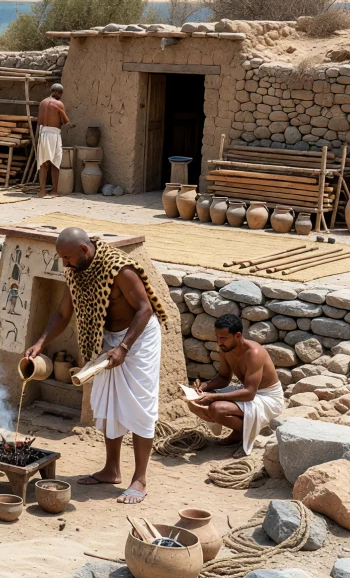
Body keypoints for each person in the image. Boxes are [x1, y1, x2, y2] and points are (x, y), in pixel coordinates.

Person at [25, 227, 168, 504]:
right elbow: (63, 313)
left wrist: (124, 347)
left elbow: (145, 309)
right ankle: (111, 469)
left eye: (67, 258)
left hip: (138, 339)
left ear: (84, 250)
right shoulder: (74, 271)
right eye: (61, 259)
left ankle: (140, 478)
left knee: (140, 405)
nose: (64, 264)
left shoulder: (120, 268)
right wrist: (41, 343)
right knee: (109, 404)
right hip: (107, 340)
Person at [188, 315, 284, 457]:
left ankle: (242, 433)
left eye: (223, 338)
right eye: (217, 337)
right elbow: (223, 378)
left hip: (268, 398)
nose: (219, 342)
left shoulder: (254, 353)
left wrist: (213, 397)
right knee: (194, 400)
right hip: (248, 391)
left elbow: (250, 393)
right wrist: (204, 386)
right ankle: (241, 429)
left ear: (237, 336)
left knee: (217, 408)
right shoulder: (225, 349)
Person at [35, 84, 69, 199]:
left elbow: (39, 122)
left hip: (42, 133)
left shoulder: (42, 103)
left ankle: (42, 191)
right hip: (53, 135)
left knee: (43, 164)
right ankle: (54, 191)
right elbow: (65, 121)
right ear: (58, 93)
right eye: (61, 93)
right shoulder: (59, 104)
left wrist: (36, 139)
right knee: (55, 162)